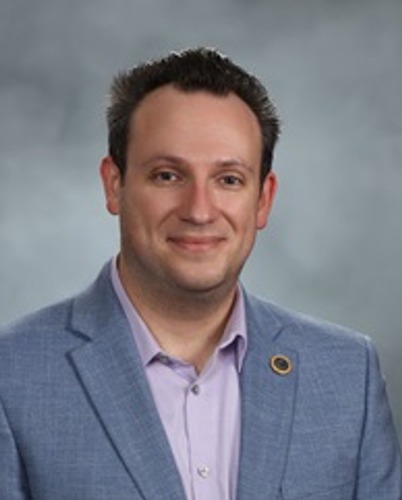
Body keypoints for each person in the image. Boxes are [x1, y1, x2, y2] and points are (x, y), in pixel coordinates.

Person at [0, 47, 400, 500]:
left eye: (228, 179)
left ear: (263, 199)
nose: (199, 211)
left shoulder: (347, 374)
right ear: (114, 185)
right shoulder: (12, 375)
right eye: (168, 176)